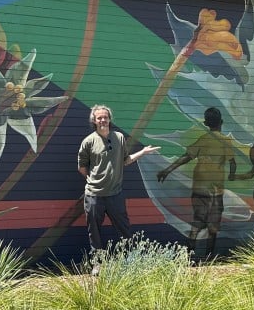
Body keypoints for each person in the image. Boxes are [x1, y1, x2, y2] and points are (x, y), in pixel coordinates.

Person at [156, 107, 236, 258]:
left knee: (198, 220)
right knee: (213, 225)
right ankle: (209, 257)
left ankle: (189, 254)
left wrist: (167, 170)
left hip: (200, 187)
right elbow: (232, 162)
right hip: (216, 189)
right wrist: (232, 174)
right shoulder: (226, 141)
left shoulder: (204, 139)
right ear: (222, 122)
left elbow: (186, 156)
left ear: (206, 123)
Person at [78, 104, 160, 251]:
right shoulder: (88, 141)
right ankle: (97, 262)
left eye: (105, 117)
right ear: (94, 121)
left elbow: (126, 160)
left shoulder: (119, 137)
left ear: (109, 119)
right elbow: (82, 167)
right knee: (94, 231)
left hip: (115, 194)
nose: (103, 120)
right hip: (94, 196)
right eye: (99, 118)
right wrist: (92, 181)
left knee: (124, 229)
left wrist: (142, 152)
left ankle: (129, 260)